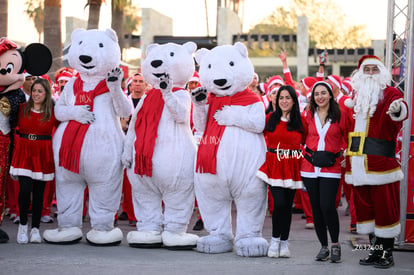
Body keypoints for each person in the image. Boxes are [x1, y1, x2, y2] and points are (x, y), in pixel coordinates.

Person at [345, 55, 408, 269]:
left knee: (385, 209)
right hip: (358, 163)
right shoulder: (356, 97)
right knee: (366, 210)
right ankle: (375, 251)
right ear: (361, 73)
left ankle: (387, 254)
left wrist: (398, 109)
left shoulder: (390, 93)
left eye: (374, 69)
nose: (370, 73)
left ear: (381, 72)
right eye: (367, 69)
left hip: (381, 164)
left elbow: (400, 112)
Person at [301, 81, 350, 263]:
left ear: (330, 95)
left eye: (323, 93)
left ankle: (335, 244)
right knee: (316, 209)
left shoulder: (341, 115)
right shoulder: (307, 114)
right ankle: (324, 246)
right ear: (313, 98)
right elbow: (300, 135)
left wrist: (344, 152)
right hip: (309, 167)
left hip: (331, 167)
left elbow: (349, 136)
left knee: (328, 206)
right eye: (316, 94)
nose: (320, 96)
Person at [257, 85, 306, 258]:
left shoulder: (301, 122)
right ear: (276, 101)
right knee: (278, 204)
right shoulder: (269, 118)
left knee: (287, 207)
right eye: (281, 98)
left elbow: (309, 142)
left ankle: (284, 243)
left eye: (287, 98)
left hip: (292, 167)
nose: (284, 101)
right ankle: (275, 240)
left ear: (294, 101)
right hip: (274, 166)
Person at [9, 78, 59, 243]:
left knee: (39, 194)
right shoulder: (22, 108)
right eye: (34, 90)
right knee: (24, 190)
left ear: (46, 94)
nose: (36, 94)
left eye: (40, 91)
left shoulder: (52, 112)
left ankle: (35, 229)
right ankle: (23, 226)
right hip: (24, 152)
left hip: (43, 154)